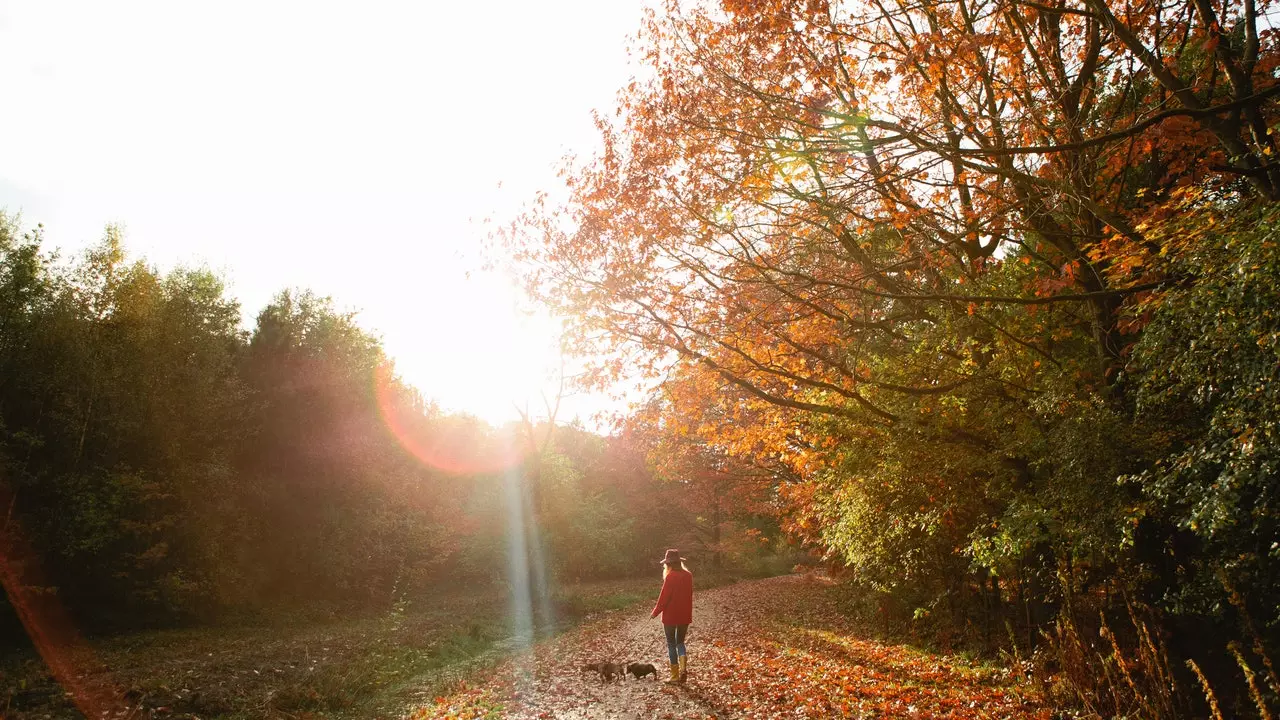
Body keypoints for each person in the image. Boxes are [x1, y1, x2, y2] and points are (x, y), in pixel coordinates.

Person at [651, 548, 693, 683]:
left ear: (668, 564)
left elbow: (664, 598)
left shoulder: (670, 577)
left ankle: (674, 677)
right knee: (680, 642)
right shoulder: (688, 575)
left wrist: (655, 612)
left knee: (671, 644)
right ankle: (683, 669)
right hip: (684, 615)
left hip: (670, 616)